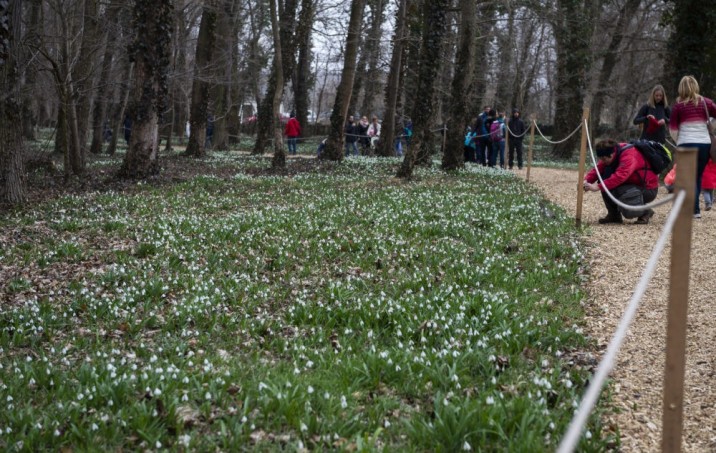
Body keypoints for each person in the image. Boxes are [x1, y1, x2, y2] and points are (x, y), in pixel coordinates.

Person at [668, 75, 716, 219]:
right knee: (698, 177)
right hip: (704, 144)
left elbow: (673, 130)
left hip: (686, 144)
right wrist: (711, 126)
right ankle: (695, 211)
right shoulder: (706, 103)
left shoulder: (678, 107)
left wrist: (679, 141)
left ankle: (692, 209)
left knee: (687, 178)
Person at [583, 139, 659, 224]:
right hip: (632, 185)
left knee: (615, 188)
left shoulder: (629, 155)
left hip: (648, 189)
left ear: (612, 154)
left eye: (604, 159)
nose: (602, 161)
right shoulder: (610, 152)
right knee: (605, 180)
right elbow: (598, 168)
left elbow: (620, 177)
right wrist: (586, 180)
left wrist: (598, 186)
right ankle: (614, 215)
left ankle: (645, 211)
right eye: (600, 158)